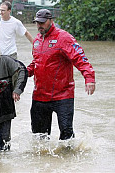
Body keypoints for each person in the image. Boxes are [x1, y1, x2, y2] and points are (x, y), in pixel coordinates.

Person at [27, 9, 96, 140]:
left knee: (66, 134)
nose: (39, 25)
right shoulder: (36, 40)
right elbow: (36, 63)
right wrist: (23, 73)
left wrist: (89, 78)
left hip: (63, 95)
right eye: (37, 23)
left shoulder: (64, 37)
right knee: (38, 136)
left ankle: (68, 159)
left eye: (42, 22)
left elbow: (80, 58)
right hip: (40, 95)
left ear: (51, 21)